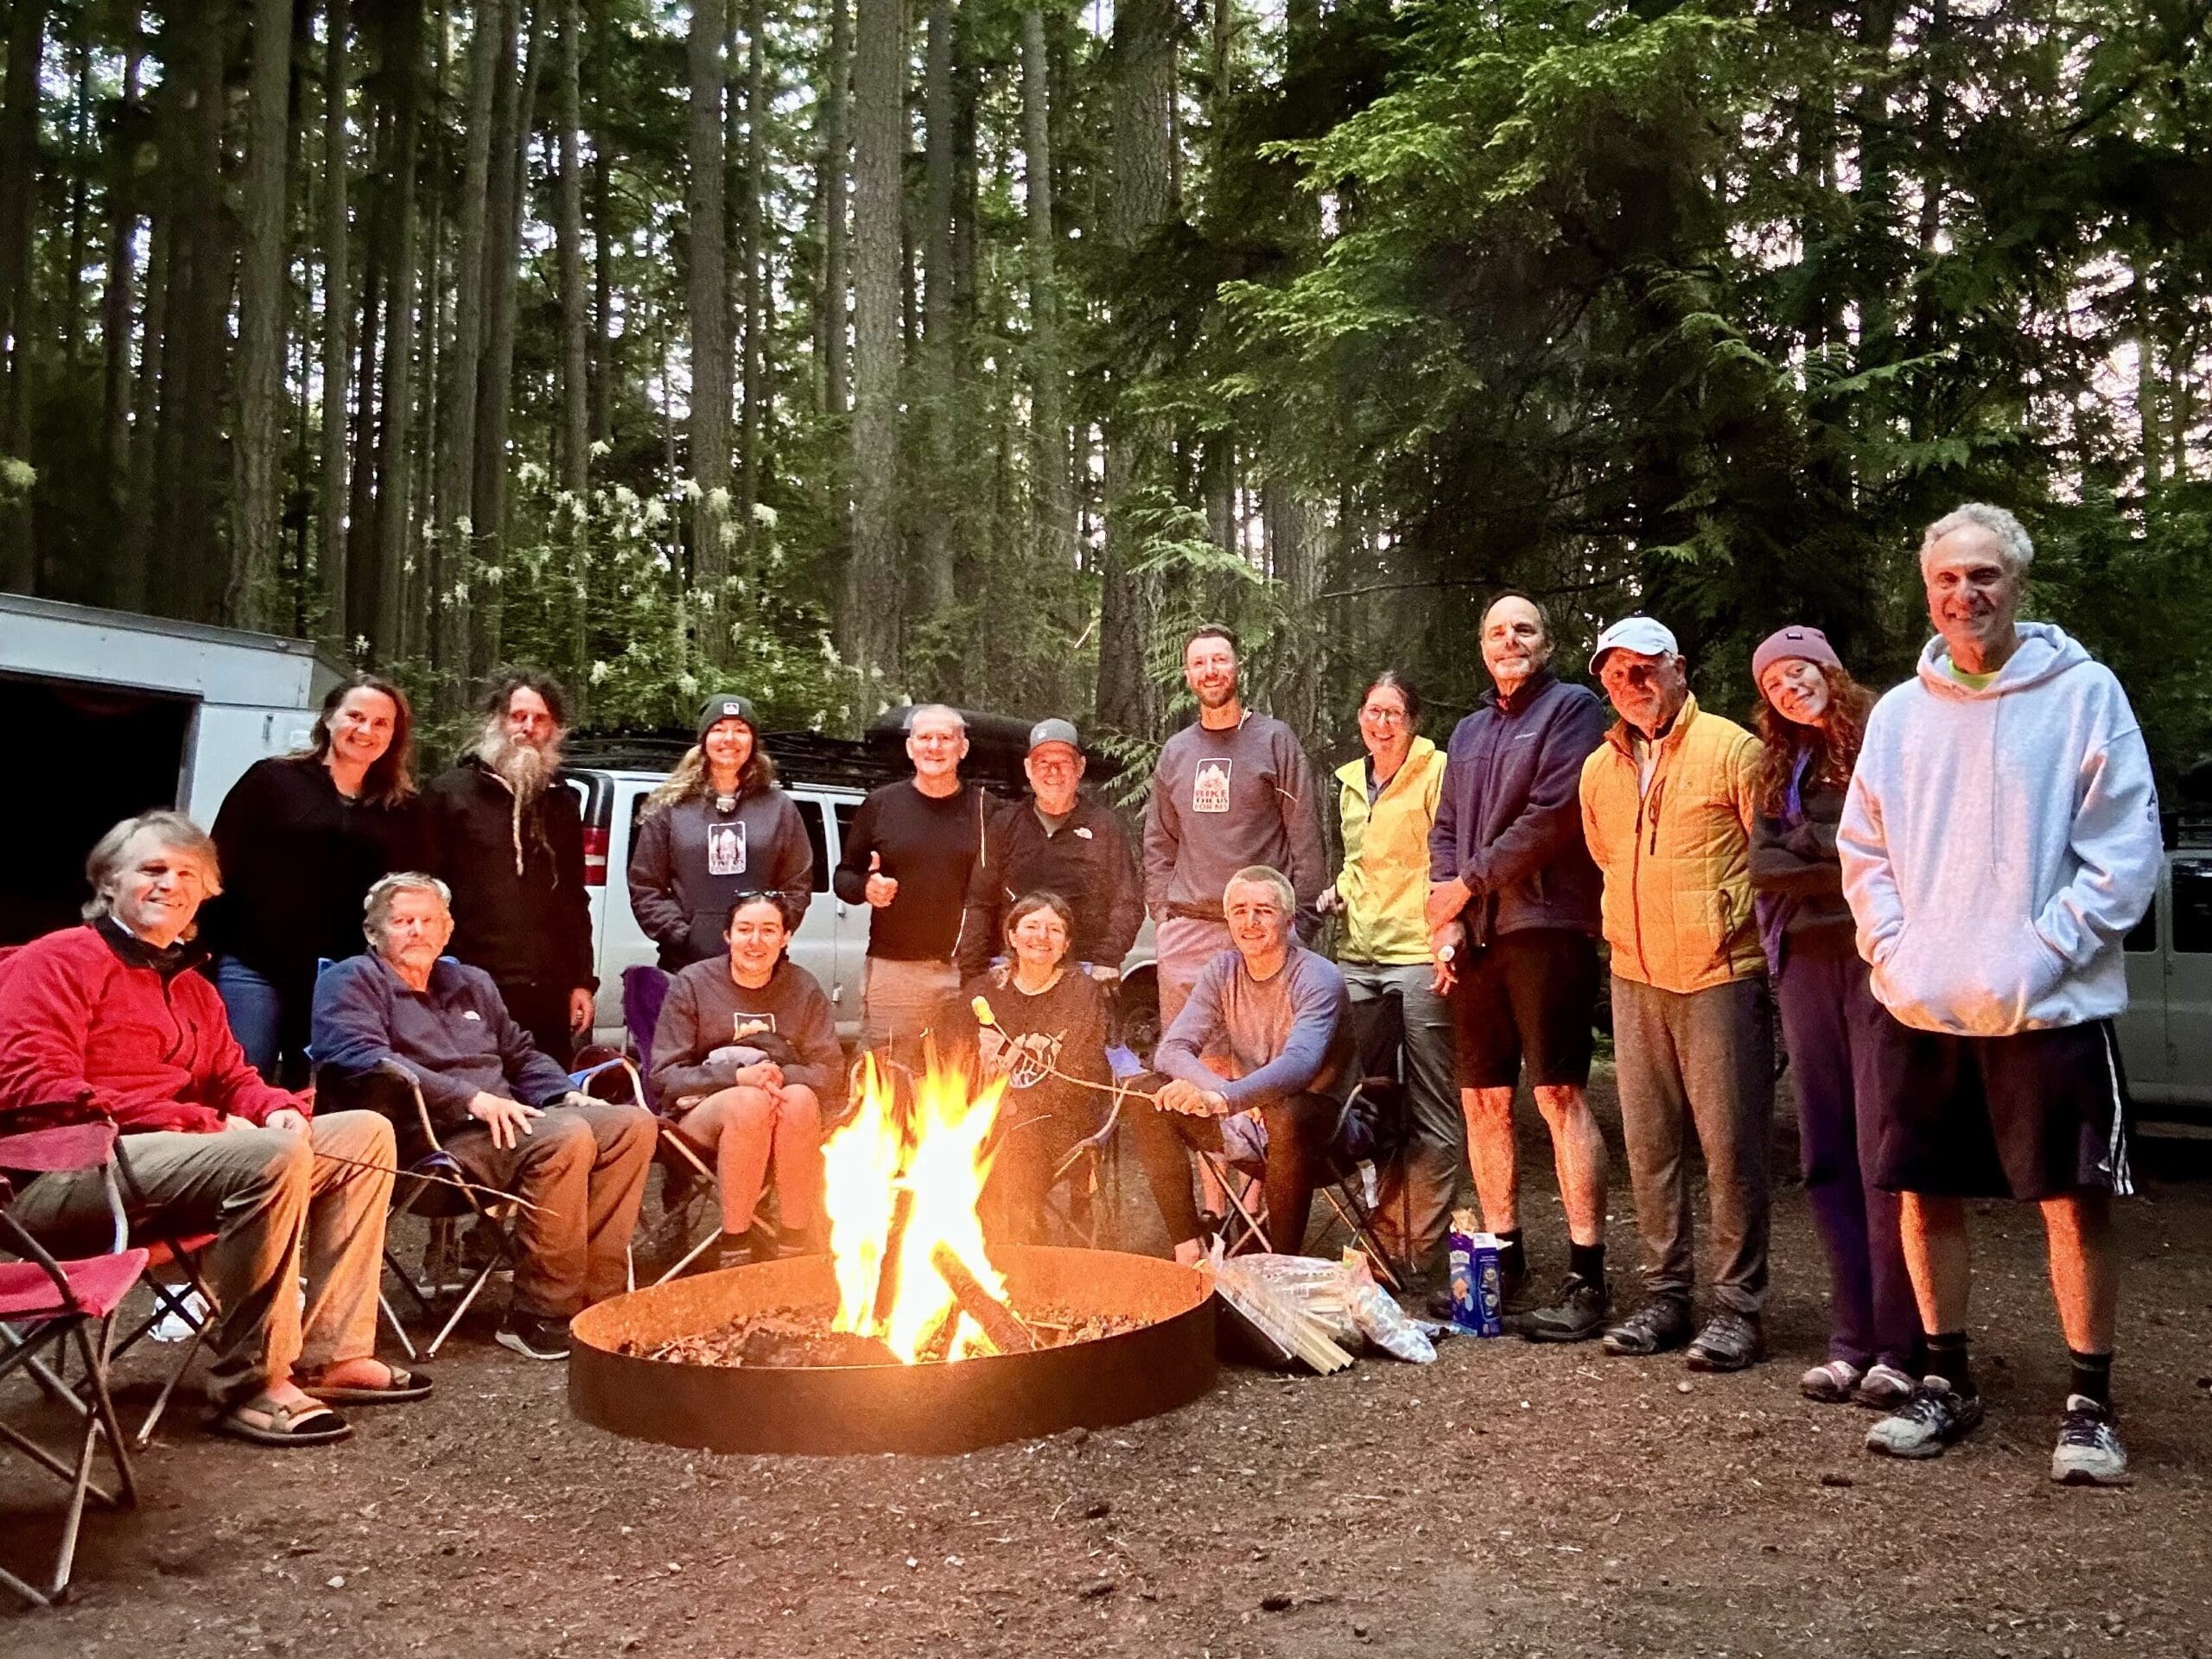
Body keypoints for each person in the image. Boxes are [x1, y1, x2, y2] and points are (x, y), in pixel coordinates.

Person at [1840, 505, 2159, 1484]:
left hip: (2047, 1003)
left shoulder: (2082, 696)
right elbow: (1864, 850)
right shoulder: (1899, 714)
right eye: (1946, 580)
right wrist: (1895, 954)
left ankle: (2088, 1403)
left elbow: (2122, 848)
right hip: (1923, 1004)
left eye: (1983, 576)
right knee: (1925, 1192)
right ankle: (1945, 1381)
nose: (1964, 595)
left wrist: (2042, 951)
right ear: (1927, 591)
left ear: (2015, 583)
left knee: (2071, 1199)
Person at [0, 812, 423, 1449]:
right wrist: (197, 1121)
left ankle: (330, 1352)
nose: (170, 884)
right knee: (266, 1153)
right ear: (109, 881)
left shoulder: (193, 986)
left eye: (187, 875)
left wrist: (272, 1103)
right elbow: (32, 1086)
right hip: (64, 1176)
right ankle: (251, 1383)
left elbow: (233, 1079)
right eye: (152, 869)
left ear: (206, 893)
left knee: (362, 1132)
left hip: (177, 1167)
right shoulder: (55, 960)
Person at [310, 872, 654, 1363]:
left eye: (429, 921)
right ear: (373, 933)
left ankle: (597, 1298)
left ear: (447, 931)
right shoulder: (350, 980)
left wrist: (564, 1091)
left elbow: (519, 1053)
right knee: (563, 1138)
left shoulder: (471, 982)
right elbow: (360, 1056)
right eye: (403, 921)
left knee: (629, 1126)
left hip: (507, 1126)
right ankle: (540, 1314)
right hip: (425, 1143)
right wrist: (469, 1098)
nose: (417, 931)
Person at [1578, 616, 1774, 1371]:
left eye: (1644, 668)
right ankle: (1665, 1294)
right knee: (1650, 1145)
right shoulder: (1601, 768)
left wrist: (1732, 931)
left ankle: (1736, 1307)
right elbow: (1604, 853)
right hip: (1635, 973)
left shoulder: (1732, 750)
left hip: (1719, 975)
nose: (1632, 684)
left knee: (1730, 1149)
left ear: (1679, 668)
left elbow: (1772, 857)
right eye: (1616, 673)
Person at [1426, 595, 1613, 1339]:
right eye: (1497, 631)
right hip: (1476, 939)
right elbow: (1444, 832)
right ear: (1482, 648)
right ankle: (1503, 1256)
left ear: (1547, 641)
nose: (1510, 640)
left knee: (1559, 1093)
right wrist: (1448, 921)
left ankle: (1587, 1274)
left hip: (1546, 923)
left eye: (1524, 629)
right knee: (1482, 1101)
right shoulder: (1469, 730)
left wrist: (1468, 883)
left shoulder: (1573, 709)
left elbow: (1555, 812)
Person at [1747, 625, 1919, 1409]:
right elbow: (1762, 865)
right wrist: (1822, 854)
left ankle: (1902, 1343)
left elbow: (1892, 853)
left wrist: (1812, 848)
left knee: (1884, 1149)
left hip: (1879, 965)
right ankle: (1850, 1339)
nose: (1791, 687)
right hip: (1805, 967)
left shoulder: (1885, 737)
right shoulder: (1784, 766)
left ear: (1829, 668)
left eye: (1800, 671)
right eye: (1775, 682)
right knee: (1825, 1150)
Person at [1128, 866, 1357, 1262]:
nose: (1250, 922)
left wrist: (1227, 1097)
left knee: (1287, 1110)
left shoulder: (1318, 976)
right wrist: (1215, 1093)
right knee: (1147, 1095)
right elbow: (1172, 1049)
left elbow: (1301, 1064)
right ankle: (1188, 1248)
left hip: (1325, 1128)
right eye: (1239, 911)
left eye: (1264, 911)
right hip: (1247, 1119)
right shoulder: (1223, 970)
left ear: (1288, 920)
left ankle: (1283, 1264)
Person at [1314, 671, 1457, 1301]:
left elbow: (1447, 857)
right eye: (1373, 711)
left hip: (1418, 955)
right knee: (1367, 1100)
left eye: (1394, 712)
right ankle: (1380, 1233)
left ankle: (1421, 1243)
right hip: (1358, 957)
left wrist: (1448, 931)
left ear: (1413, 720)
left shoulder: (1436, 772)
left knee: (1429, 1103)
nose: (1381, 723)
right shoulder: (1350, 783)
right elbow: (1359, 862)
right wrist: (1338, 891)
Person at [205, 672, 423, 1084]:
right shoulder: (271, 779)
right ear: (328, 719)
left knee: (324, 1094)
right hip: (255, 964)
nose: (365, 730)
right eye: (355, 716)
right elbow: (218, 863)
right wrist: (203, 947)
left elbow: (410, 893)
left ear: (395, 735)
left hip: (343, 977)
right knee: (242, 1081)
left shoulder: (403, 809)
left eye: (381, 723)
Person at [1143, 626, 1328, 1036]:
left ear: (1237, 667)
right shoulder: (1176, 751)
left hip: (1260, 927)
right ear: (1188, 676)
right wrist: (1164, 916)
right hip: (1188, 929)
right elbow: (1159, 842)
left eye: (1220, 660)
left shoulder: (1274, 740)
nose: (1211, 671)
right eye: (1199, 663)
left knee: (1260, 1066)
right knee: (1193, 1067)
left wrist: (1301, 920)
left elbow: (1305, 838)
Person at [650, 892, 845, 1270]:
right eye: (745, 930)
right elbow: (665, 1077)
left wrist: (778, 1075)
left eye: (769, 930)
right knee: (748, 1102)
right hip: (701, 1117)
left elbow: (830, 1072)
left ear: (786, 937)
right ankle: (735, 1247)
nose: (755, 941)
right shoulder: (694, 983)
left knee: (800, 1098)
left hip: (785, 1114)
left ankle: (793, 1243)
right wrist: (738, 1077)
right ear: (728, 936)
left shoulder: (802, 987)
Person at [422, 672, 595, 1064]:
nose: (528, 728)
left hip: (546, 990)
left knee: (551, 1103)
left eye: (540, 718)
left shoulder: (561, 802)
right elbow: (420, 892)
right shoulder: (449, 793)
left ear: (554, 728)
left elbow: (573, 897)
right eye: (518, 716)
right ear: (498, 721)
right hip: (466, 983)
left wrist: (582, 981)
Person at [831, 704, 994, 1060]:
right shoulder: (881, 804)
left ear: (962, 749)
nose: (934, 746)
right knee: (888, 1076)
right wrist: (866, 889)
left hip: (967, 971)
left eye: (945, 738)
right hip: (896, 971)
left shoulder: (987, 809)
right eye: (924, 737)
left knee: (960, 1081)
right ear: (910, 747)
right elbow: (844, 876)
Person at [959, 891, 1115, 1243]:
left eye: (1054, 930)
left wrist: (1017, 1106)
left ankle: (1020, 1251)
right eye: (1030, 926)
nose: (1041, 937)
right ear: (1012, 936)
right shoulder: (985, 989)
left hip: (1060, 1120)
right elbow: (954, 1055)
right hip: (986, 1114)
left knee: (1013, 1145)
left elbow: (1082, 1071)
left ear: (1066, 944)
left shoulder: (1081, 993)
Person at [627, 692, 814, 972]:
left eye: (741, 730)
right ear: (704, 741)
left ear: (753, 742)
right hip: (685, 963)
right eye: (718, 729)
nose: (729, 739)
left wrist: (767, 932)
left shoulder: (779, 807)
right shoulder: (670, 807)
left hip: (760, 962)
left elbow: (798, 883)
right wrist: (681, 934)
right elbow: (645, 884)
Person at [957, 719, 1142, 987]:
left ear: (1080, 768)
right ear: (1028, 769)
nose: (1053, 771)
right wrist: (973, 975)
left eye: (1064, 762)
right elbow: (979, 903)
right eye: (1043, 762)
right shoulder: (1004, 824)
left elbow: (1128, 902)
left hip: (1083, 972)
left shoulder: (1104, 826)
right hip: (1012, 970)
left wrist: (1108, 959)